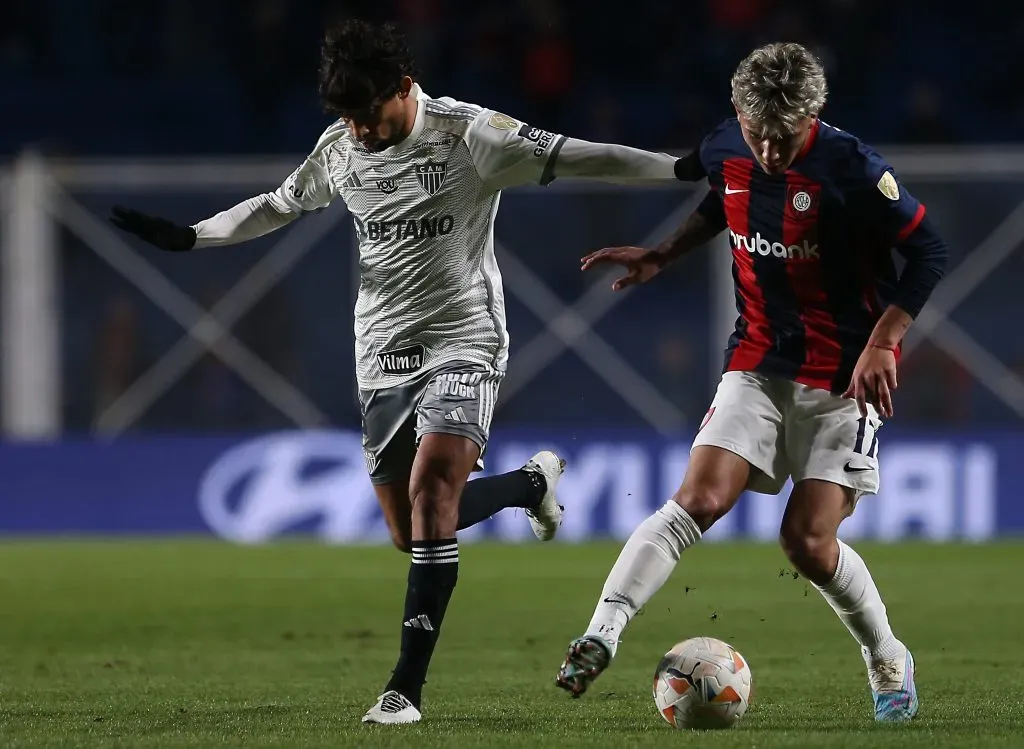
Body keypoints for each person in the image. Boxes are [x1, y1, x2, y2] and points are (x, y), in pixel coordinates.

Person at [110, 19, 683, 725]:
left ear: (405, 89)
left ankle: (403, 690)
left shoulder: (471, 134)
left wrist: (680, 168)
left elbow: (583, 156)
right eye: (348, 120)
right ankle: (530, 483)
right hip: (381, 349)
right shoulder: (340, 148)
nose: (361, 132)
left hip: (465, 336)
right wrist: (193, 236)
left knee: (434, 486)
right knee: (410, 533)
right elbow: (277, 206)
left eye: (371, 117)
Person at [554, 42, 948, 723]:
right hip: (757, 363)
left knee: (807, 542)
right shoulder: (725, 145)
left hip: (841, 377)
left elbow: (928, 250)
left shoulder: (852, 167)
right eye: (757, 134)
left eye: (785, 137)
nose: (768, 151)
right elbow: (719, 196)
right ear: (737, 113)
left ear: (814, 116)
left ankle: (887, 655)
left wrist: (886, 339)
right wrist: (662, 254)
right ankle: (601, 632)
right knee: (696, 497)